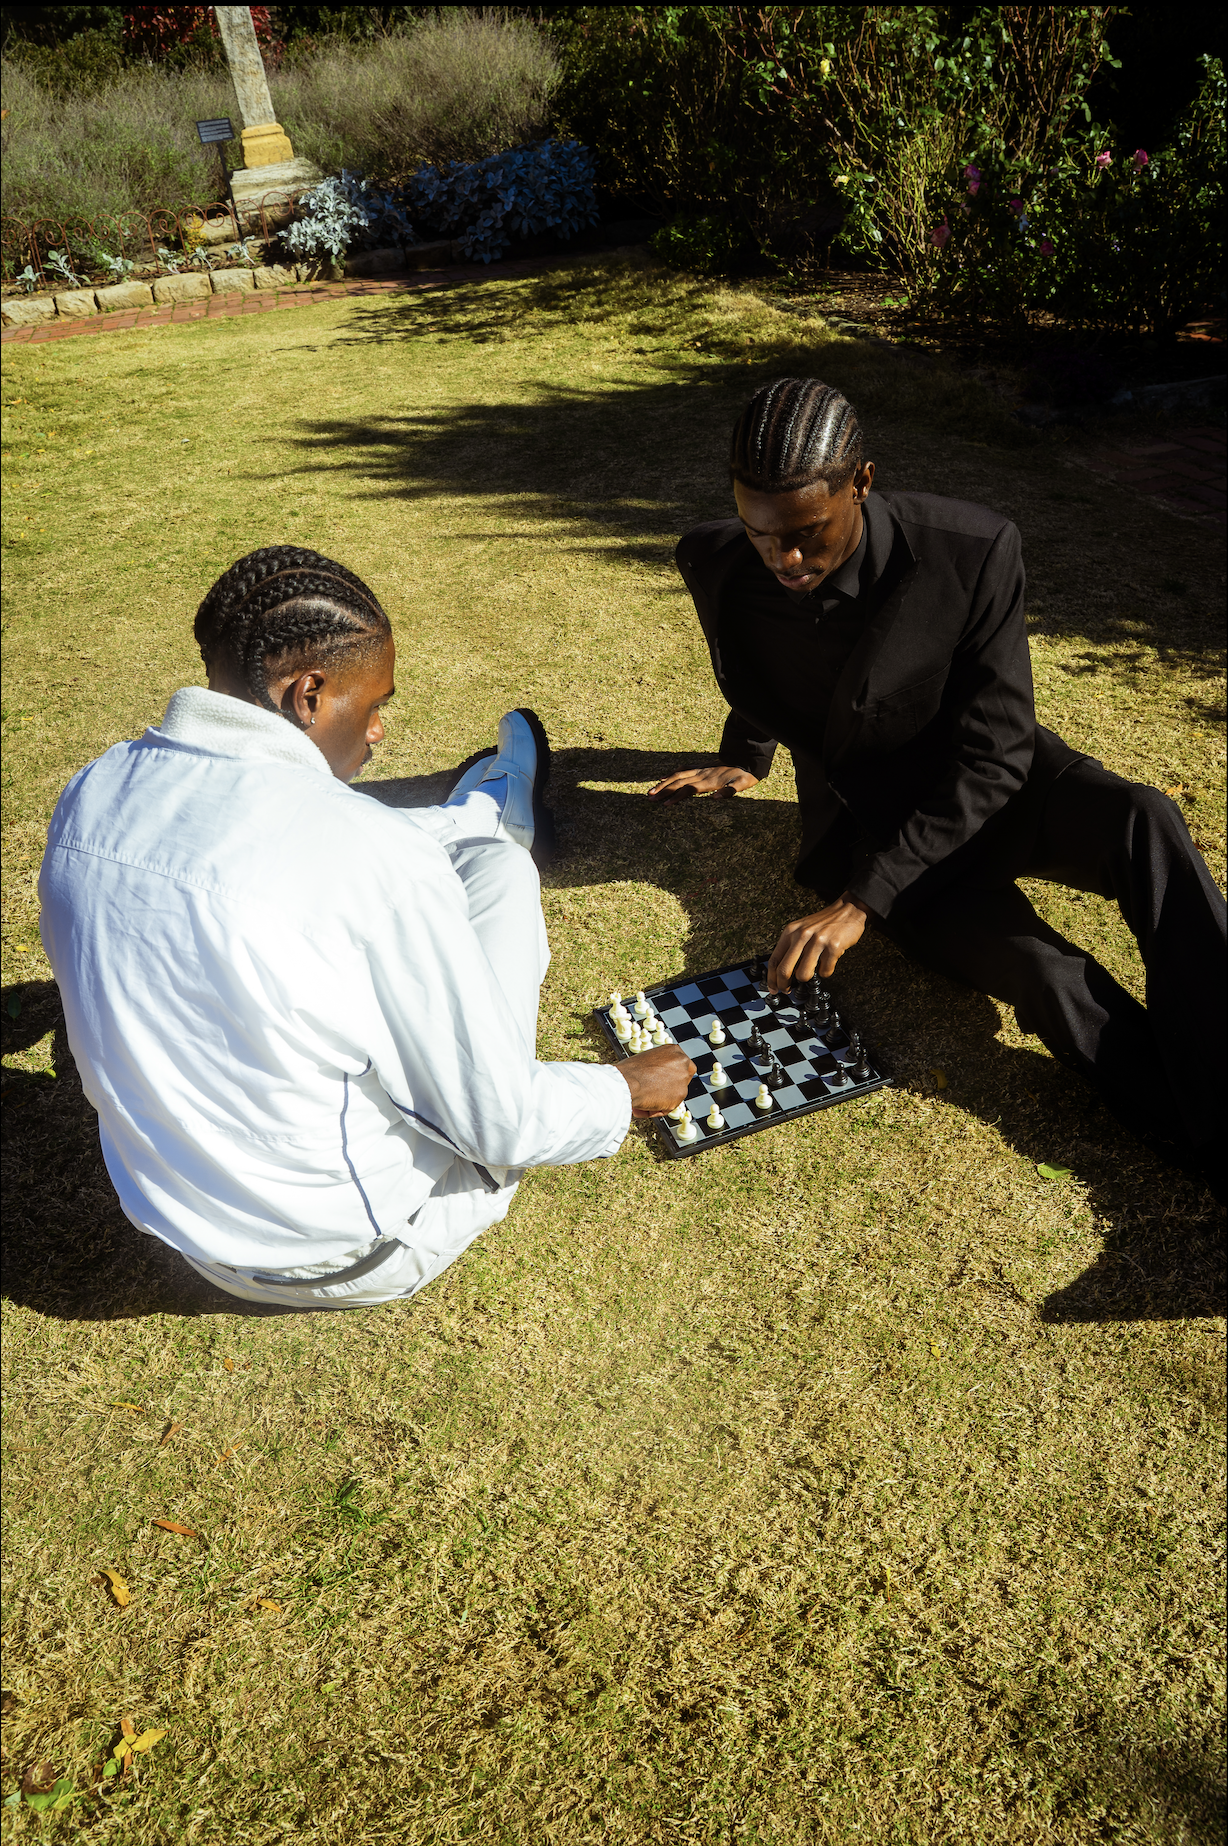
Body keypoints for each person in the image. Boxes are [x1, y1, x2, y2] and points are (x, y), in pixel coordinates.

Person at [39, 546, 694, 1308]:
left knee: (425, 856)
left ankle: (478, 814)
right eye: (373, 702)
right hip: (351, 1253)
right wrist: (622, 1092)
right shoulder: (365, 856)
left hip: (183, 1234)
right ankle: (492, 817)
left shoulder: (91, 789)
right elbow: (498, 1123)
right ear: (308, 693)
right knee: (504, 874)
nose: (379, 730)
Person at [650, 377, 1225, 1190]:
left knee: (1143, 818)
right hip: (869, 823)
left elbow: (996, 753)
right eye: (760, 533)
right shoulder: (713, 560)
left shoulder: (971, 548)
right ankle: (1203, 1136)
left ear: (863, 482)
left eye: (808, 533)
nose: (785, 559)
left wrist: (862, 902)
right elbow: (756, 668)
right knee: (1042, 971)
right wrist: (747, 753)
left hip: (995, 780)